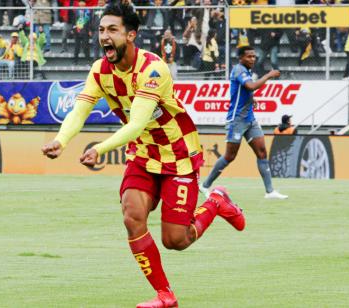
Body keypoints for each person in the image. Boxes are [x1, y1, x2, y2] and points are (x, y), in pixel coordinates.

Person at [41, 3, 245, 307]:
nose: (104, 36)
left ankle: (216, 202)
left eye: (113, 30)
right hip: (143, 155)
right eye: (101, 30)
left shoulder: (153, 69)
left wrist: (98, 149)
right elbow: (79, 111)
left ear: (131, 34)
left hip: (177, 155)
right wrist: (61, 140)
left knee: (175, 240)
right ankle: (166, 295)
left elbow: (136, 124)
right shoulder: (99, 71)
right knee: (132, 216)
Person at [200, 46, 288, 200]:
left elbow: (245, 91)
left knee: (261, 152)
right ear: (241, 58)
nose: (253, 59)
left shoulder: (245, 70)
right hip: (237, 120)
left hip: (250, 119)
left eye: (254, 56)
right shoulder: (239, 70)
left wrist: (251, 99)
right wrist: (268, 75)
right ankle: (205, 185)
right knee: (229, 156)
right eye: (249, 56)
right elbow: (250, 86)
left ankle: (270, 191)